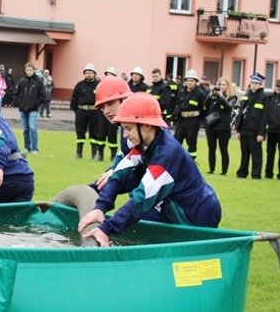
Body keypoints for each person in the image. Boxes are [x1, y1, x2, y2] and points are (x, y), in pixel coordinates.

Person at [77, 93, 221, 247]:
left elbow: (143, 197)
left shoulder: (167, 153)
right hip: (170, 206)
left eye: (128, 128)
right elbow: (120, 175)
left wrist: (106, 228)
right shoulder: (145, 142)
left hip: (196, 213)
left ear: (146, 125)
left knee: (188, 261)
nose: (125, 135)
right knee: (139, 233)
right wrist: (100, 207)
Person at [234, 72, 268, 179]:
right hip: (244, 129)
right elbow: (241, 113)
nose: (253, 85)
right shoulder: (247, 95)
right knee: (244, 153)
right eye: (252, 83)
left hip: (255, 131)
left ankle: (256, 174)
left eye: (256, 83)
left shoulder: (264, 97)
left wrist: (261, 133)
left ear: (260, 84)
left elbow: (265, 118)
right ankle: (242, 172)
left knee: (256, 154)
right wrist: (238, 130)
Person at [202, 77, 236, 175]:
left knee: (223, 149)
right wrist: (210, 95)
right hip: (212, 125)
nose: (221, 87)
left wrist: (221, 97)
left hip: (223, 126)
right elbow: (204, 105)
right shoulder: (213, 96)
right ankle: (211, 169)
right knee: (211, 148)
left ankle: (224, 171)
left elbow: (228, 107)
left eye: (224, 85)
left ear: (227, 86)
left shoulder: (232, 97)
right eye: (220, 84)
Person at [12, 62, 47, 154]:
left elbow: (43, 96)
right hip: (23, 109)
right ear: (25, 70)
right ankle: (27, 147)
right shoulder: (22, 81)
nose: (29, 72)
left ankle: (35, 148)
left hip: (33, 109)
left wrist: (36, 103)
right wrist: (18, 103)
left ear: (34, 70)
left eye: (30, 70)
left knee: (32, 128)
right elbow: (16, 93)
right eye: (27, 70)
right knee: (25, 129)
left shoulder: (38, 82)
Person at [69, 64, 103, 160]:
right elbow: (74, 98)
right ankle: (79, 153)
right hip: (81, 111)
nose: (88, 74)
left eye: (90, 73)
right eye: (87, 72)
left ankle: (94, 154)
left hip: (94, 111)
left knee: (94, 133)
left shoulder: (98, 85)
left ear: (94, 74)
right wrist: (76, 110)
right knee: (80, 132)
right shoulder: (79, 85)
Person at [172, 69, 207, 160]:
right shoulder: (181, 92)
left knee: (191, 142)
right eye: (188, 80)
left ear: (195, 82)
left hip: (193, 121)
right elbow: (177, 104)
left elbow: (205, 109)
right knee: (176, 141)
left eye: (192, 80)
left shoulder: (200, 94)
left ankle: (191, 161)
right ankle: (176, 159)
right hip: (181, 120)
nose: (190, 82)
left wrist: (200, 121)